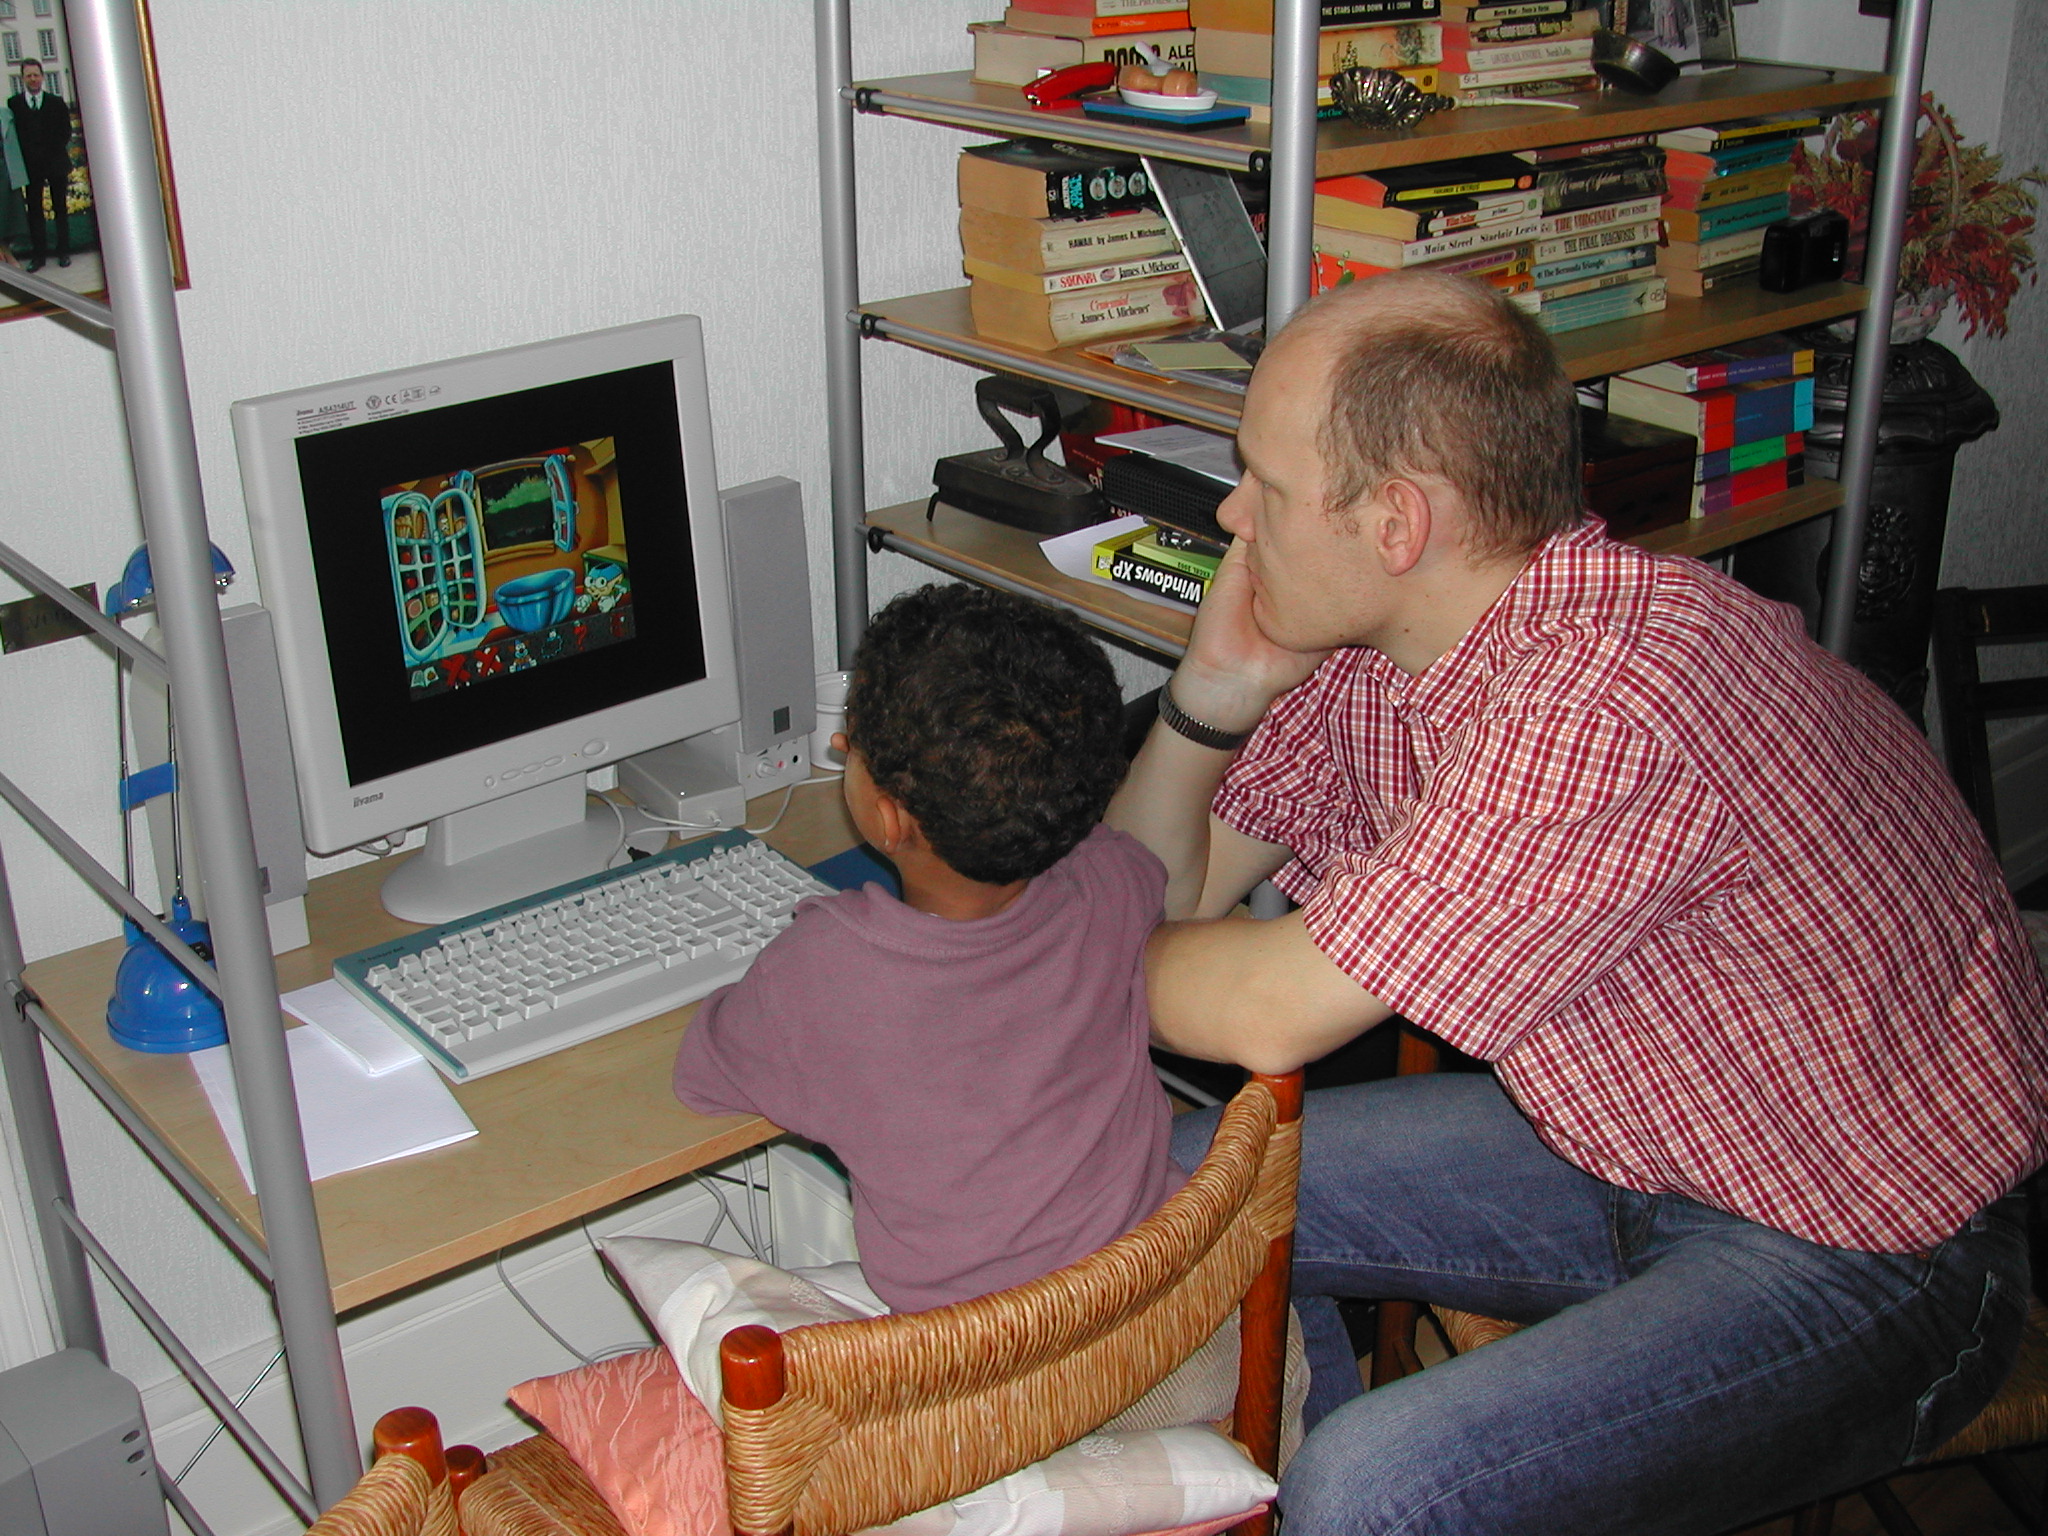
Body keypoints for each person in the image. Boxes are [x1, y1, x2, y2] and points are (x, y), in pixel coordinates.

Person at [1106, 268, 2048, 1535]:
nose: (1230, 514)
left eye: (1263, 487)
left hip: (1879, 1249)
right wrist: (1208, 698)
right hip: (1629, 1148)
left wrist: (1049, 961)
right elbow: (1152, 895)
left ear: (1394, 522)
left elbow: (1255, 1008)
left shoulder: (1609, 696)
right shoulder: (1386, 647)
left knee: (1380, 1487)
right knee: (1157, 1194)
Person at [672, 582, 1179, 1314]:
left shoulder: (823, 973)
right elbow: (1127, 861)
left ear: (888, 820)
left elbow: (706, 1076)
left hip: (992, 1362)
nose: (841, 745)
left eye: (853, 744)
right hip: (1162, 1297)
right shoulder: (1111, 880)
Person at [9, 59, 70, 271]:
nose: (33, 79)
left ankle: (63, 252)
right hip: (31, 167)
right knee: (34, 211)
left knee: (60, 208)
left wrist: (49, 153)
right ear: (23, 78)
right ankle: (39, 255)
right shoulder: (14, 104)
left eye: (36, 75)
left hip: (56, 164)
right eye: (29, 76)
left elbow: (65, 132)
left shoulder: (56, 102)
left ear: (42, 77)